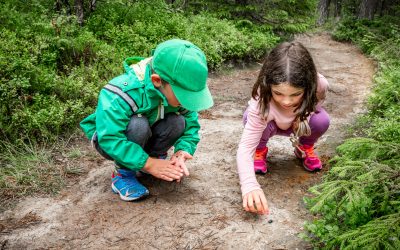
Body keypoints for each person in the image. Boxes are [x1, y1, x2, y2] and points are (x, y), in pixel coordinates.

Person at [80, 39, 213, 201]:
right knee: (138, 125)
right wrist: (149, 164)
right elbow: (110, 137)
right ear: (157, 81)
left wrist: (183, 150)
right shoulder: (123, 92)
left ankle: (151, 160)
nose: (187, 101)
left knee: (178, 122)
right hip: (109, 140)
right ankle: (123, 173)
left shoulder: (174, 92)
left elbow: (190, 124)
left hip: (146, 134)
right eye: (183, 95)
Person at [237, 41, 330, 215]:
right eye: (278, 93)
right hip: (269, 125)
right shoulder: (261, 97)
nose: (287, 101)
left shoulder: (320, 85)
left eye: (296, 94)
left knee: (321, 120)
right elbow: (244, 147)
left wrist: (303, 116)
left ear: (308, 86)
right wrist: (249, 186)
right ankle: (261, 149)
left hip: (298, 125)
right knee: (250, 118)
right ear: (268, 85)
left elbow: (317, 104)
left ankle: (305, 146)